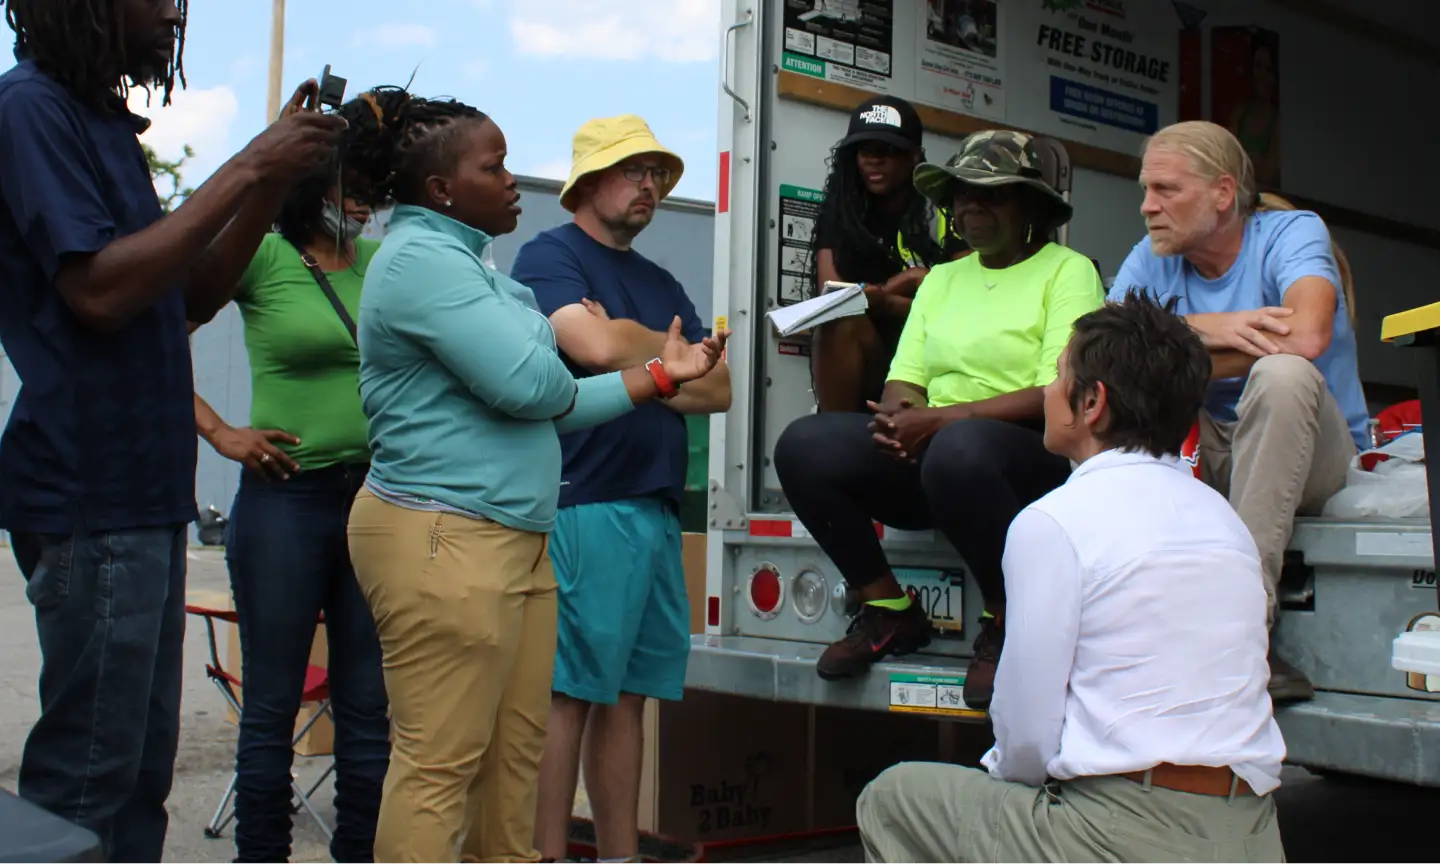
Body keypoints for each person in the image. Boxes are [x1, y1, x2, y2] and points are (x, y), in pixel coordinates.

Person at [339, 88, 728, 864]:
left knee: (511, 762)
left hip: (512, 536)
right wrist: (602, 360)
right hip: (443, 532)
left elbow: (562, 395)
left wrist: (650, 371)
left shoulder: (477, 270)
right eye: (496, 166)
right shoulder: (420, 262)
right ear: (442, 189)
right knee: (440, 768)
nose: (515, 181)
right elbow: (538, 385)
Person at [0, 1, 345, 859]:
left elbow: (184, 298)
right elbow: (101, 293)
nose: (170, 14)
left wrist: (269, 183)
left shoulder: (103, 121)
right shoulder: (29, 108)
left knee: (138, 782)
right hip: (90, 494)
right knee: (86, 786)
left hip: (146, 499)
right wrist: (243, 164)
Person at [856, 293, 1287, 864]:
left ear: (1092, 403)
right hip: (1253, 831)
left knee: (892, 799)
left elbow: (1026, 738)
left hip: (1123, 832)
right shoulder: (1224, 520)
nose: (1047, 393)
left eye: (1057, 376)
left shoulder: (1054, 521)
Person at [774, 131, 1104, 710]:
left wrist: (942, 421)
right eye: (961, 196)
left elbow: (1062, 391)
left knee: (961, 448)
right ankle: (888, 610)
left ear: (1029, 206)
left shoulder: (1068, 271)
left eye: (990, 196)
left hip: (1025, 461)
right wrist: (897, 420)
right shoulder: (945, 279)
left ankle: (1007, 619)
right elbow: (907, 378)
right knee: (805, 444)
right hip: (939, 458)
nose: (970, 208)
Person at [511, 115, 733, 864]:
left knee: (629, 697)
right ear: (587, 181)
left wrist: (637, 346)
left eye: (658, 174)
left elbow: (719, 389)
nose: (651, 186)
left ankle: (617, 856)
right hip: (586, 498)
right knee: (568, 693)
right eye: (633, 170)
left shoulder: (661, 280)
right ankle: (545, 853)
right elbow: (592, 346)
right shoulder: (548, 254)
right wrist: (658, 353)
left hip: (655, 504)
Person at [1108, 120, 1366, 702]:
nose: (1148, 207)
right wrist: (1210, 328)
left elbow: (1303, 337)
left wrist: (1166, 344)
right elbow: (1096, 352)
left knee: (1281, 373)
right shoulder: (1151, 255)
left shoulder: (1290, 232)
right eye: (1146, 190)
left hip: (1311, 456)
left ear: (1223, 194)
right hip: (1212, 451)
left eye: (1166, 190)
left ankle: (1241, 626)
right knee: (1112, 389)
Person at [190, 111, 390, 862]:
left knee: (367, 707)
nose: (365, 203)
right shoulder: (264, 257)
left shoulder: (380, 263)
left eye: (374, 190)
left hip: (374, 500)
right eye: (353, 187)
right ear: (314, 184)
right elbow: (155, 333)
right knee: (271, 707)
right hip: (286, 501)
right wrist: (220, 432)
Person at [808, 94, 968, 413]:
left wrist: (881, 300)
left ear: (914, 156)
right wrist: (908, 282)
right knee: (841, 322)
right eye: (864, 149)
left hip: (932, 358)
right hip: (868, 360)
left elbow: (963, 302)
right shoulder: (840, 213)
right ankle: (835, 435)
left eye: (888, 150)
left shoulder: (945, 210)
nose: (873, 159)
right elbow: (834, 303)